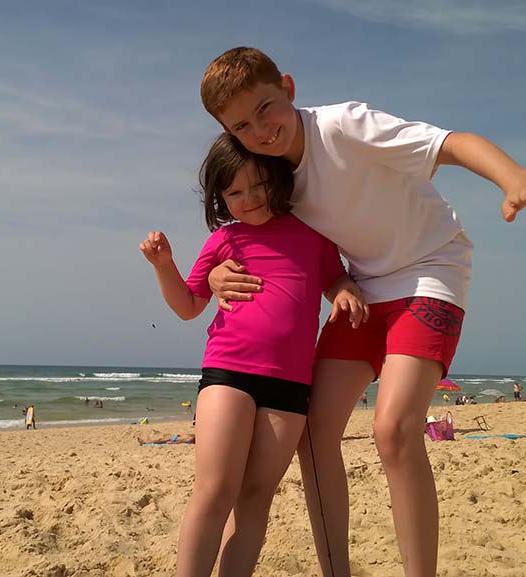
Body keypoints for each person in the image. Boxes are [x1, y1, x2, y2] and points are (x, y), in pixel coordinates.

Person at [200, 47, 526, 577]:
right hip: (363, 289)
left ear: (288, 88)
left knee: (394, 430)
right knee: (313, 433)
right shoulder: (269, 173)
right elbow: (269, 243)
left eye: (265, 108)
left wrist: (514, 178)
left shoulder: (342, 126)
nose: (261, 130)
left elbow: (450, 143)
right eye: (241, 125)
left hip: (431, 270)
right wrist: (216, 275)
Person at [139, 133, 366, 577]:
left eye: (259, 184)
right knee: (215, 490)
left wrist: (345, 291)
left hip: (290, 385)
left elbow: (334, 279)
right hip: (229, 372)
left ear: (277, 178)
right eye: (235, 192)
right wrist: (165, 267)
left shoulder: (312, 235)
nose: (250, 198)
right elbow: (188, 305)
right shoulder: (225, 240)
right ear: (220, 198)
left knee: (256, 497)